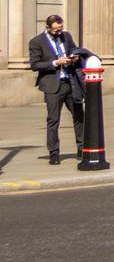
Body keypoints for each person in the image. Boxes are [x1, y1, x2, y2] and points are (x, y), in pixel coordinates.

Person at [29, 14, 86, 164]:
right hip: (52, 86)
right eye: (55, 30)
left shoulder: (66, 36)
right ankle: (54, 153)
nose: (59, 32)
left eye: (60, 29)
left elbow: (74, 49)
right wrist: (56, 62)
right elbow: (35, 65)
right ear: (47, 27)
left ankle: (82, 148)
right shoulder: (36, 42)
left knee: (79, 116)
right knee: (53, 120)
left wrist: (75, 57)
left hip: (71, 82)